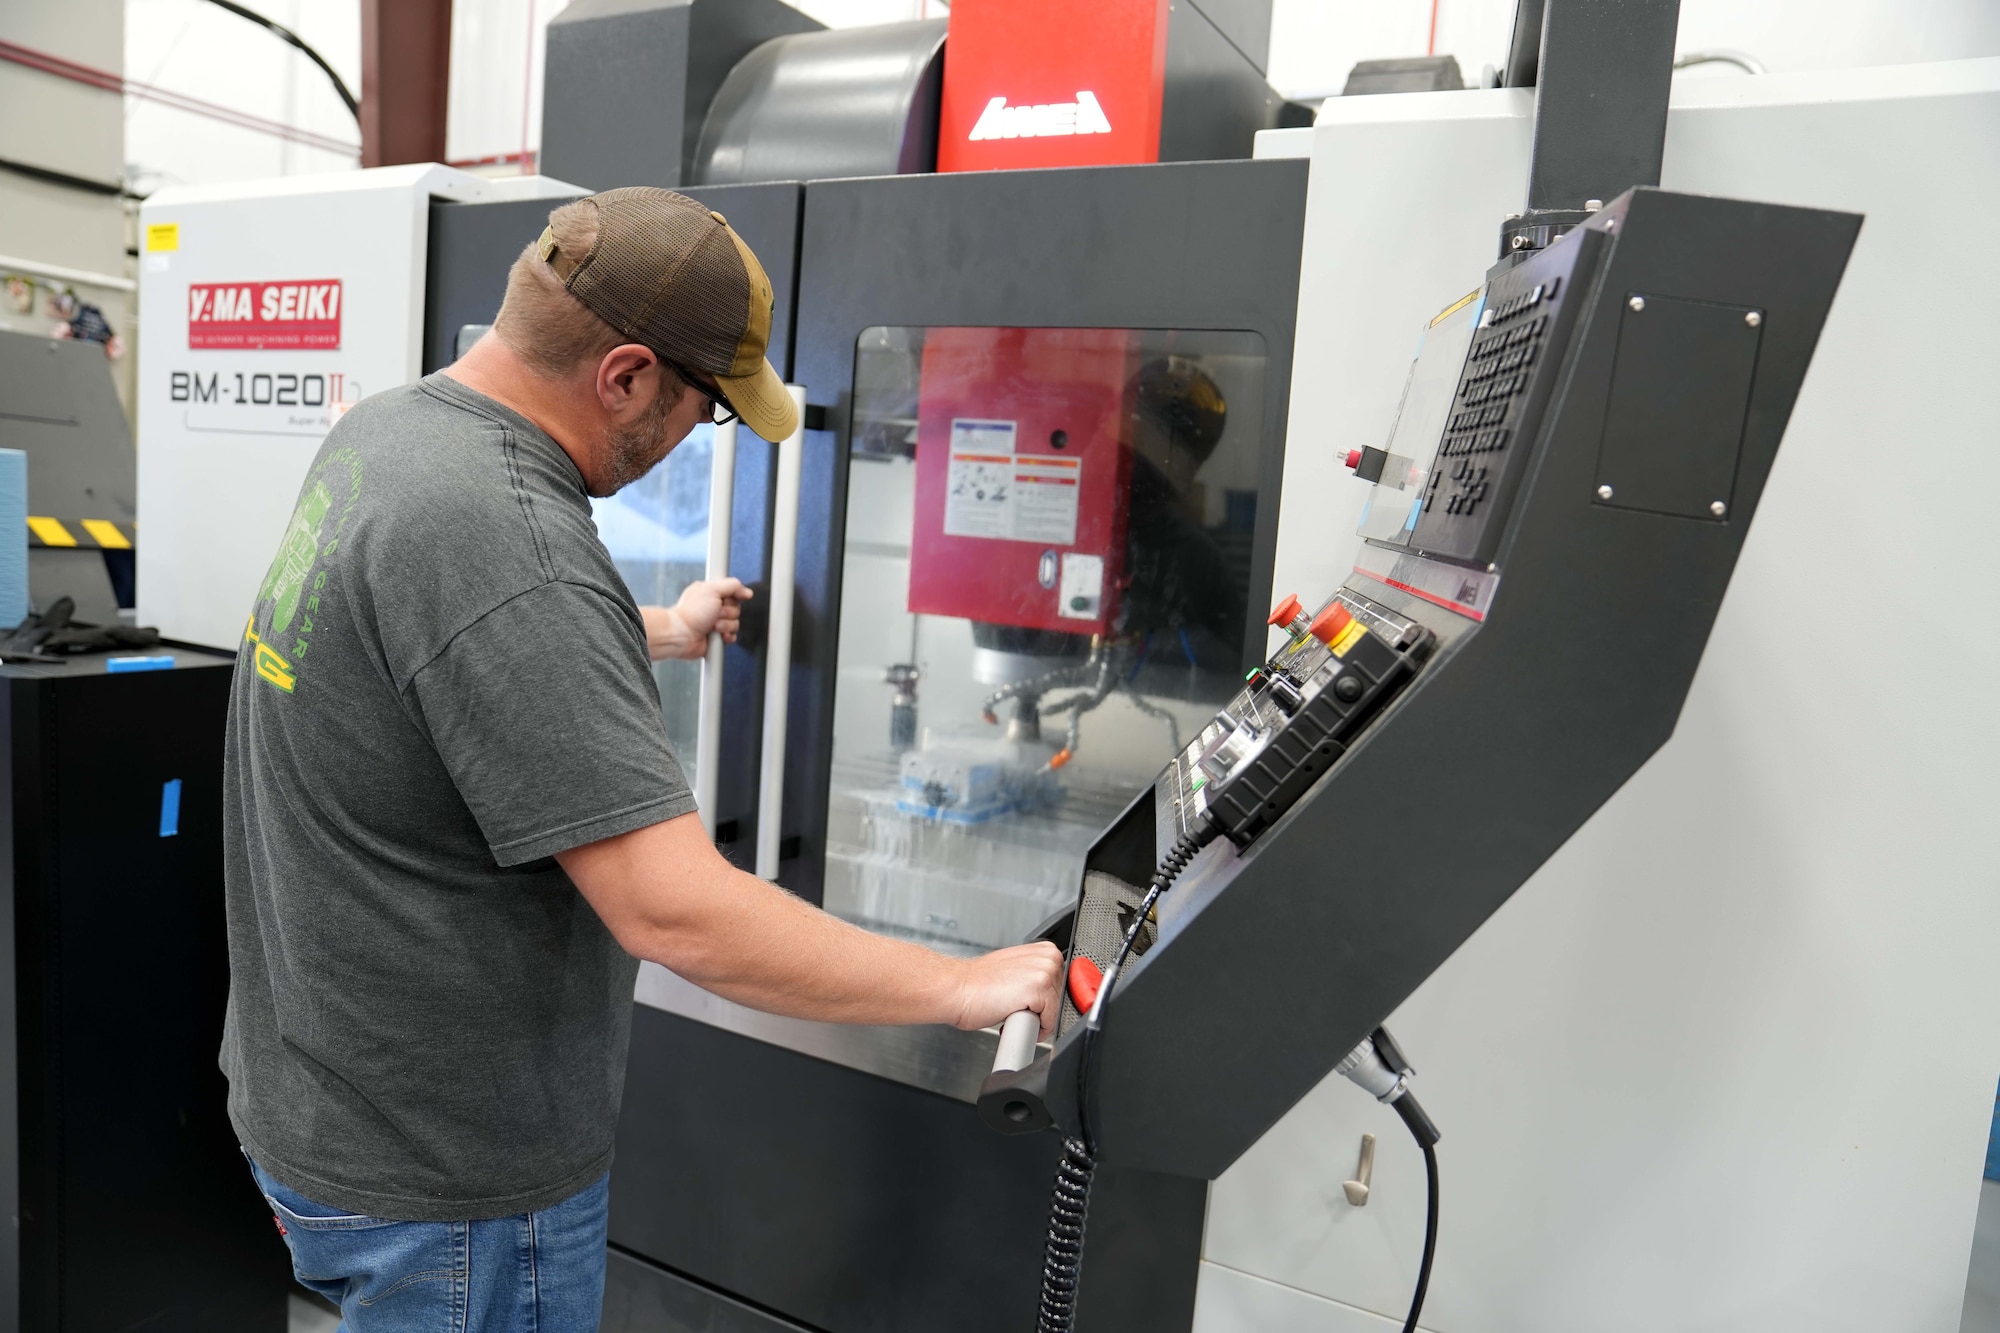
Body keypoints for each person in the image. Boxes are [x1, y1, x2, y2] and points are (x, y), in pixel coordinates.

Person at [221, 188, 1063, 1331]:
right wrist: (963, 987)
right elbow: (677, 913)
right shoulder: (514, 552)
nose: (692, 440)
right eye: (704, 411)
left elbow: (436, 654)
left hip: (314, 1101)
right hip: (455, 1186)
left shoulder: (391, 431)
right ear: (624, 376)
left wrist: (654, 626)